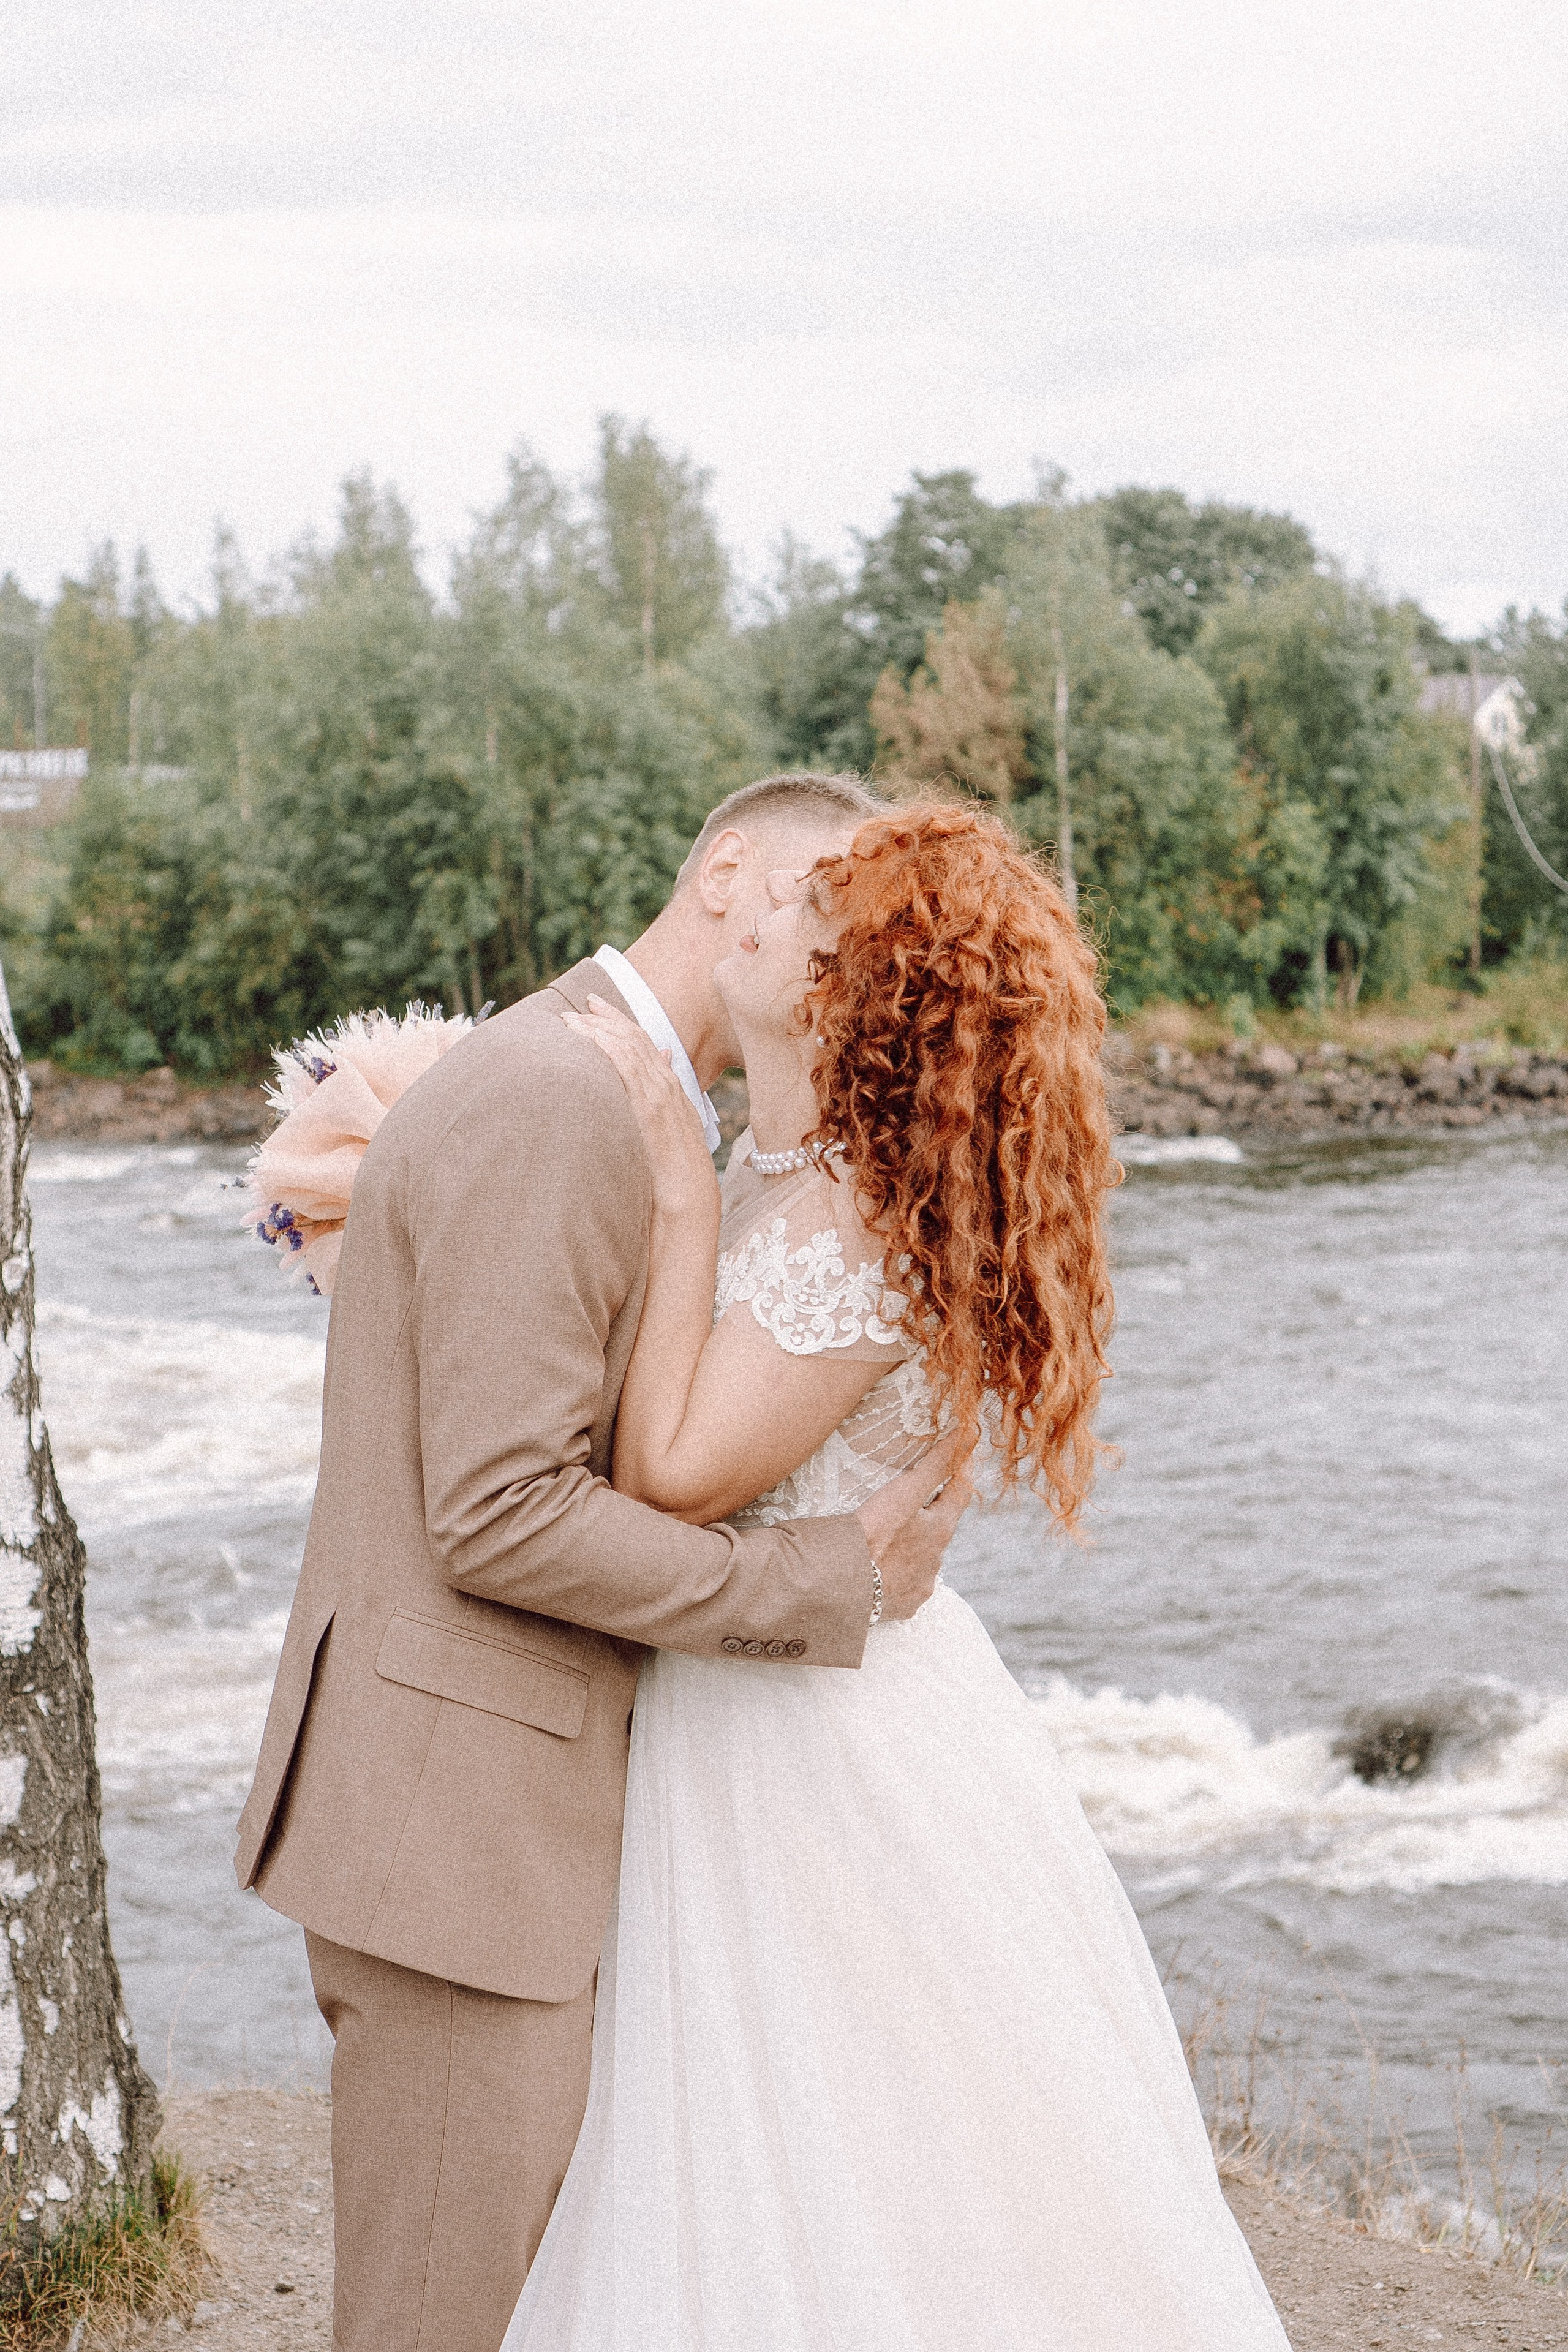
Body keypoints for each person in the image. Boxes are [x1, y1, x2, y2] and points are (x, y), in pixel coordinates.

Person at [504, 799, 1292, 2351]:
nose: (760, 908)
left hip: (817, 1747)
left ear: (858, 996)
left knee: (868, 2140)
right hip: (768, 1698)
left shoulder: (855, 1225)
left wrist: (673, 1183)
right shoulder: (792, 1176)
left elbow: (671, 1470)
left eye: (812, 910)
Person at [233, 772, 973, 2352]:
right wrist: (819, 1582)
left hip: (504, 1822)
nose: (835, 948)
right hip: (459, 1837)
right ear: (727, 872)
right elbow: (500, 1510)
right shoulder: (560, 1093)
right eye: (819, 905)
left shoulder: (621, 1095)